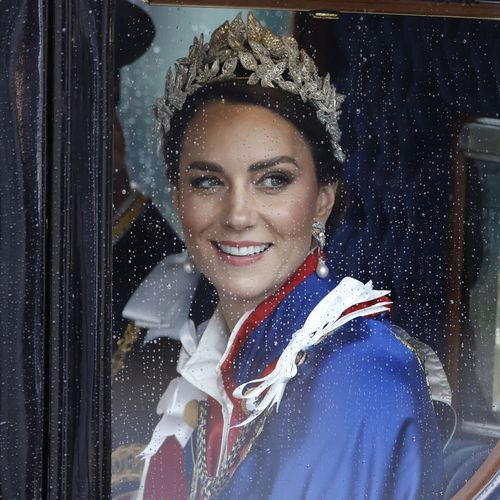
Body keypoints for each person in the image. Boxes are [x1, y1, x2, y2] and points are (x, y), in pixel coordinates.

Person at [130, 13, 445, 500]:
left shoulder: (360, 373)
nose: (238, 215)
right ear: (177, 197)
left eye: (272, 180)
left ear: (324, 198)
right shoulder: (216, 363)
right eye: (208, 181)